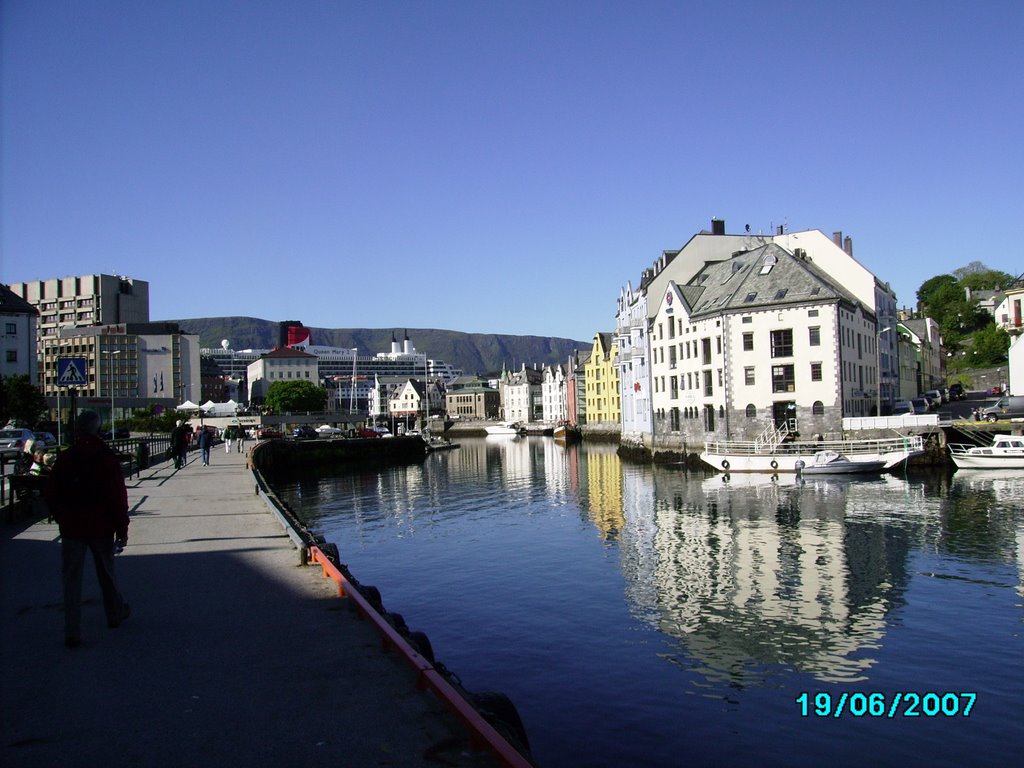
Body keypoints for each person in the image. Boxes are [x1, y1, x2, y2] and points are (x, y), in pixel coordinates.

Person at [45, 410, 130, 648]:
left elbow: (51, 490)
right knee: (106, 573)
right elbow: (117, 496)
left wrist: (60, 515)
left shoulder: (67, 457)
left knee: (71, 579)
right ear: (98, 428)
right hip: (101, 526)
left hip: (72, 526)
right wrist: (122, 527)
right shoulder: (106, 457)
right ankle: (114, 614)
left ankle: (72, 630)